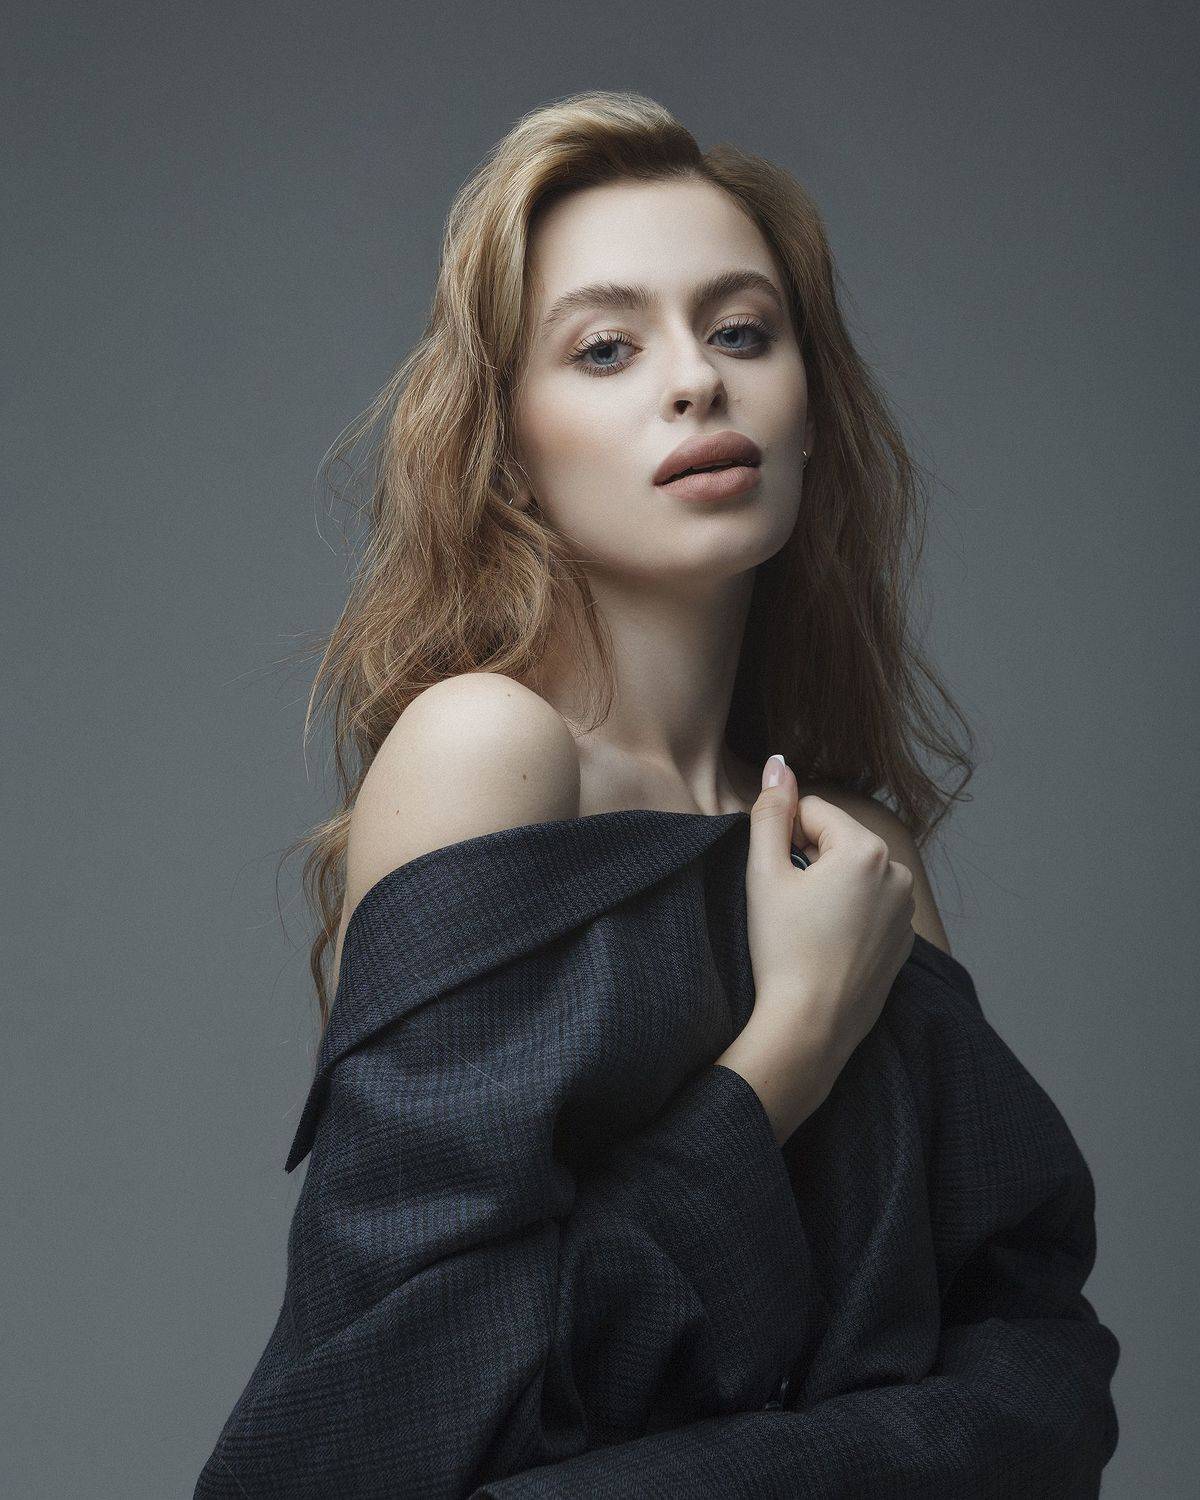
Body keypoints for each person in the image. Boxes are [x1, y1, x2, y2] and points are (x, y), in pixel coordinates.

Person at [196, 90, 1119, 1497]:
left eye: (742, 331)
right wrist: (793, 1041)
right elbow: (399, 1419)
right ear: (507, 443)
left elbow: (1043, 1374)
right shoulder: (485, 750)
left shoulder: (860, 854)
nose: (696, 382)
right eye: (607, 348)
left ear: (810, 410)